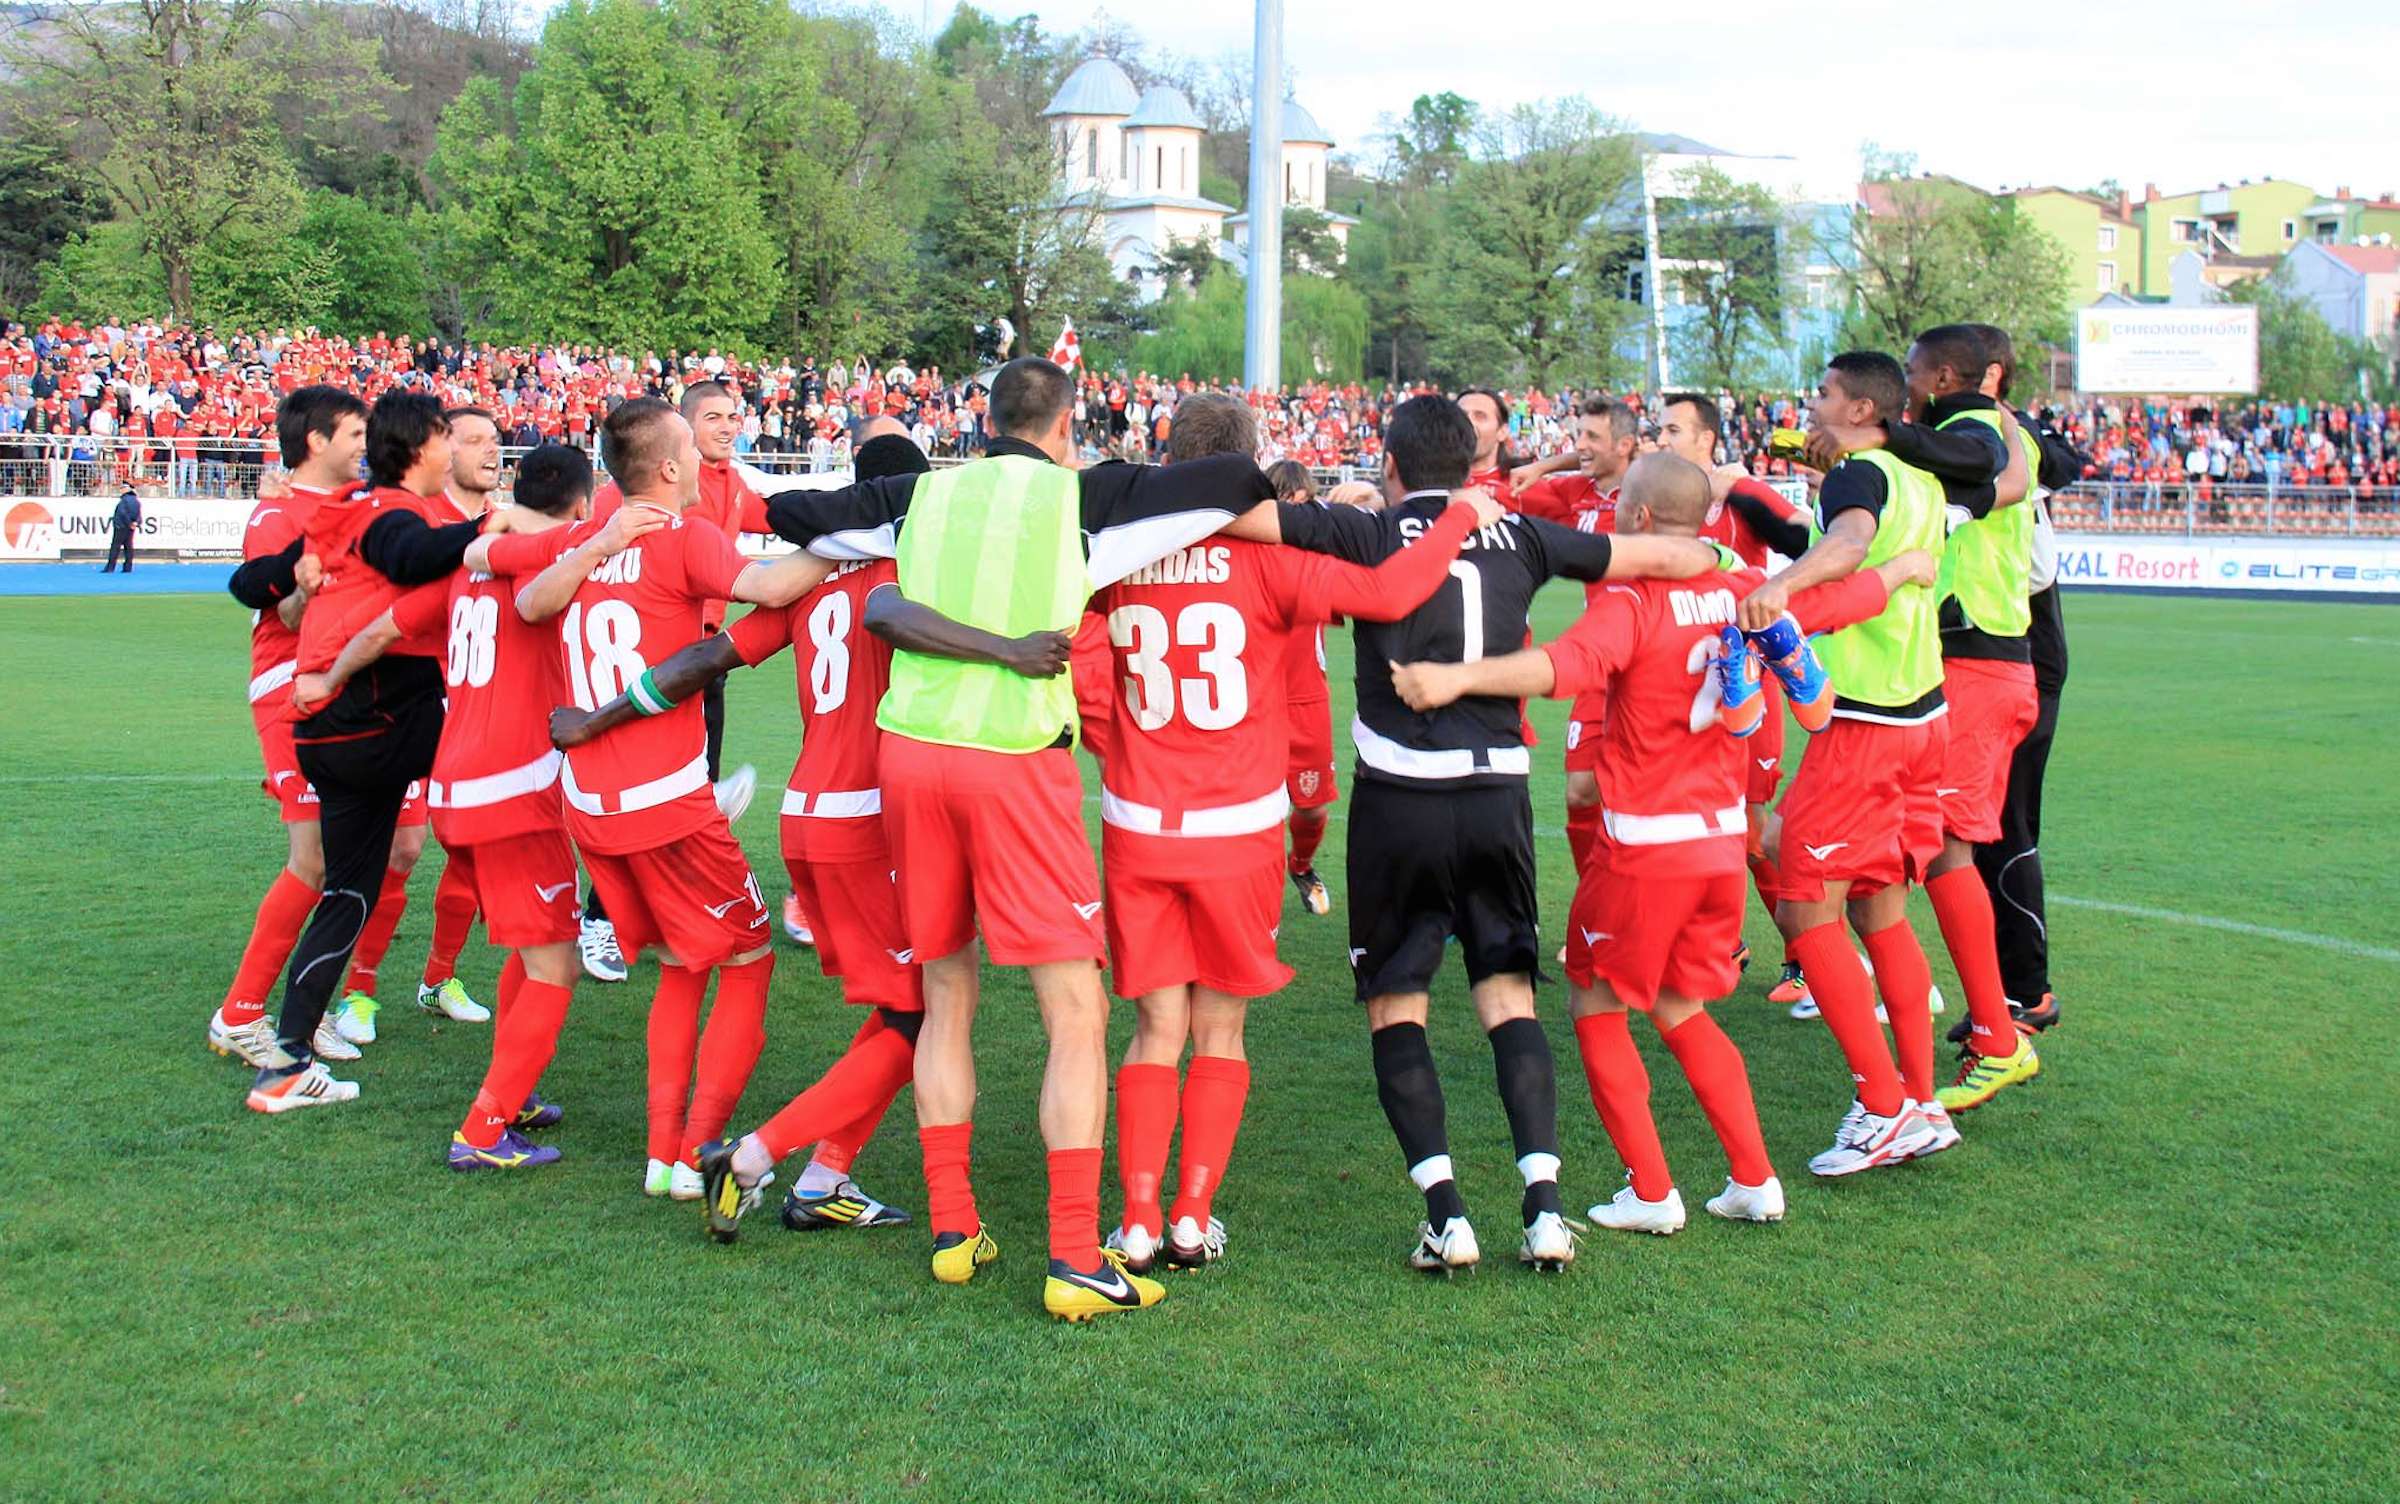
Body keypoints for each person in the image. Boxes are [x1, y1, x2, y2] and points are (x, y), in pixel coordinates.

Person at [758, 356, 1283, 1322]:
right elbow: (1227, 482)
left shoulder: (922, 495)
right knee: (1075, 1012)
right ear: (1066, 424)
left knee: (946, 988)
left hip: (911, 759)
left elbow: (797, 515)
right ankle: (1078, 1255)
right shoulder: (1087, 499)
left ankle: (956, 1229)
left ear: (986, 417)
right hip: (1012, 761)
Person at [1390, 454, 1933, 1230]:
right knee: (1680, 1004)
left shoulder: (1632, 601)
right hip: (1720, 847)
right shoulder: (1745, 588)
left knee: (1595, 1000)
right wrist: (1905, 567)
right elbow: (1839, 604)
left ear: (1640, 520)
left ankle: (1651, 1192)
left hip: (1645, 851)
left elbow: (1563, 667)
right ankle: (1752, 1178)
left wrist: (1457, 679)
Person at [1263, 395, 1728, 1273]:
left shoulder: (1366, 532)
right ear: (1473, 465)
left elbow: (1253, 520)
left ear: (1391, 465)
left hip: (1399, 800)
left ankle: (1447, 1213)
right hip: (1498, 798)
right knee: (1508, 996)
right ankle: (1544, 1207)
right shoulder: (1522, 533)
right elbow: (1674, 551)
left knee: (1397, 1002)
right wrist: (1712, 551)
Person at [1084, 395, 1499, 1274]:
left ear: (1168, 453)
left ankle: (1137, 1222)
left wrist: (1115, 744)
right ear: (1249, 463)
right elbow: (1392, 588)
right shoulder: (1271, 561)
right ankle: (1194, 1218)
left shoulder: (1117, 557)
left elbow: (1075, 664)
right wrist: (1461, 510)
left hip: (1139, 822)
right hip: (1237, 827)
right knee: (1220, 1030)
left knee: (1157, 1025)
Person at [550, 432, 941, 1235]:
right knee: (924, 1011)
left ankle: (822, 1173)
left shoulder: (813, 581)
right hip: (872, 821)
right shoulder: (917, 572)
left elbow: (704, 658)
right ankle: (761, 1152)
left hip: (804, 813)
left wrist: (598, 718)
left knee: (906, 1002)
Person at [482, 398, 831, 1196]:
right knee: (745, 958)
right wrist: (859, 540)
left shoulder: (585, 535)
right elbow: (774, 588)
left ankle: (662, 1155)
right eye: (697, 450)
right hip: (665, 805)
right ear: (671, 469)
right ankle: (692, 1148)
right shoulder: (682, 537)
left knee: (680, 962)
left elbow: (529, 601)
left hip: (590, 806)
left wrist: (588, 545)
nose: (714, 464)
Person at [294, 445, 647, 1168]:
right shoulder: (558, 564)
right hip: (514, 793)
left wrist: (327, 674)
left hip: (454, 788)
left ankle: (510, 1097)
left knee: (535, 946)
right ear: (582, 505)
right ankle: (483, 1132)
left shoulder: (469, 567)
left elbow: (386, 627)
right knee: (558, 966)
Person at [1735, 352, 1972, 1173]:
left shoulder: (1863, 476)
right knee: (1880, 909)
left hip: (1864, 726)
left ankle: (1881, 1105)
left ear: (1865, 407)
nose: (1816, 404)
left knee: (1806, 909)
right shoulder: (1924, 482)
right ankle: (1921, 1099)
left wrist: (1785, 584)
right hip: (1924, 716)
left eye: (1827, 393)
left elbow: (1848, 542)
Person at [233, 390, 487, 1112]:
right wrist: (491, 531)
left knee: (348, 891)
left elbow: (254, 580)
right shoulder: (384, 512)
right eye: (449, 439)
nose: (455, 453)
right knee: (500, 747)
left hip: (337, 729)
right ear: (421, 446)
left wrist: (299, 573)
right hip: (373, 716)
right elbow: (409, 559)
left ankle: (284, 1064)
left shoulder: (347, 508)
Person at [1809, 326, 2041, 1111]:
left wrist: (1883, 437)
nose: (1912, 389)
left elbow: (1993, 475)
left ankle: (1995, 1036)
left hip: (1976, 656)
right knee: (1907, 871)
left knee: (1937, 855)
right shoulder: (1933, 452)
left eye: (1915, 375)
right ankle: (1968, 1042)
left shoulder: (1966, 430)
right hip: (1964, 663)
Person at [576, 380, 767, 983]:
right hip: (639, 662)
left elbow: (778, 515)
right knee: (635, 799)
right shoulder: (630, 501)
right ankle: (597, 920)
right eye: (712, 418)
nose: (727, 426)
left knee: (690, 792)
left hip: (701, 660)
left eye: (733, 416)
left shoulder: (732, 484)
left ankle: (668, 909)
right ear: (677, 435)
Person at [211, 388, 367, 1069]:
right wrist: (306, 585)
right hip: (290, 693)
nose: (364, 445)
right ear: (316, 441)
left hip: (345, 693)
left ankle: (308, 1007)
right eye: (355, 433)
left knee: (359, 860)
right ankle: (239, 1014)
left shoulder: (360, 508)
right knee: (316, 860)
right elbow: (291, 618)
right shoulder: (277, 516)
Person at [1653, 392, 1812, 991]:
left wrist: (1746, 486)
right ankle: (1722, 945)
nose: (1661, 438)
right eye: (1659, 428)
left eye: (1673, 429)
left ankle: (1805, 958)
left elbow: (1803, 536)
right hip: (1685, 694)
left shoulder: (1741, 495)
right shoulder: (1664, 498)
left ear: (1707, 440)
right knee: (1684, 820)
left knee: (1749, 828)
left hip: (1745, 689)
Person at [1507, 398, 1641, 880]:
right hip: (1598, 660)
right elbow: (1509, 495)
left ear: (1626, 446)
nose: (1580, 446)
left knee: (1643, 794)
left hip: (1651, 659)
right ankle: (1598, 907)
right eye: (1577, 435)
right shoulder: (1576, 494)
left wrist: (1549, 460)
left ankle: (1705, 929)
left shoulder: (1651, 487)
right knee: (1579, 791)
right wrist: (1544, 465)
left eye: (1591, 438)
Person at [1264, 457, 1339, 915]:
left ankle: (1301, 864)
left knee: (1311, 809)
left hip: (1308, 702)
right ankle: (1260, 890)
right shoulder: (1250, 555)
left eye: (1304, 505)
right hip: (1256, 698)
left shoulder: (1323, 558)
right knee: (1258, 812)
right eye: (1286, 505)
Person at [103, 487, 138, 572]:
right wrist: (134, 523)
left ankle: (110, 567)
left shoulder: (124, 501)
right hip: (130, 527)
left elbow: (122, 513)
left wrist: (128, 522)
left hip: (121, 525)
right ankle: (128, 567)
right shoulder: (136, 501)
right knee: (128, 547)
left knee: (115, 547)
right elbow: (138, 514)